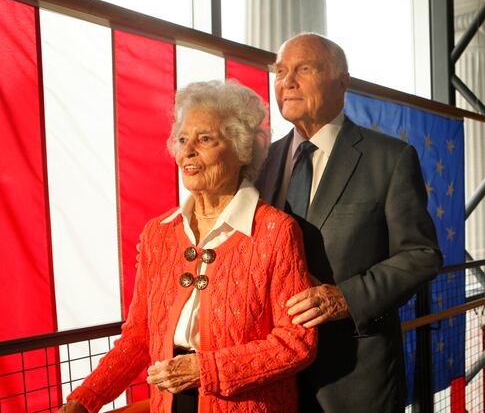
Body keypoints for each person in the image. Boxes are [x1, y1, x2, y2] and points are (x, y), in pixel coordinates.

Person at [60, 80, 317, 413]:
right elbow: (139, 335)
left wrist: (206, 369)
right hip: (171, 403)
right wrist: (84, 400)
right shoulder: (159, 233)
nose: (187, 152)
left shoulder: (276, 231)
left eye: (205, 139)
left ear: (241, 150)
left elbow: (296, 343)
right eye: (182, 140)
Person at [256, 33, 442, 412]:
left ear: (342, 81)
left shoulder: (389, 158)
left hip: (356, 376)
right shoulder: (260, 164)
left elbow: (421, 254)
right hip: (275, 378)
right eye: (280, 72)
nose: (287, 81)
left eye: (303, 69)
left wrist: (345, 298)